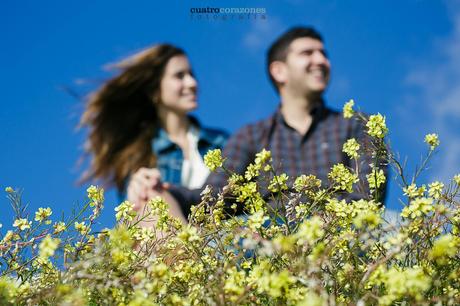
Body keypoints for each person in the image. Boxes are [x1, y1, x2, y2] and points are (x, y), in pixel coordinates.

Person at [134, 27, 387, 220]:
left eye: (324, 53)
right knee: (152, 200)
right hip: (271, 241)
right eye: (307, 53)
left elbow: (368, 195)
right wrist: (164, 190)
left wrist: (324, 223)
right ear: (279, 71)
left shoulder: (356, 125)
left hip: (342, 231)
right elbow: (213, 197)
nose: (321, 60)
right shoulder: (252, 137)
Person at [79, 44, 228, 221]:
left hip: (224, 239)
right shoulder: (139, 155)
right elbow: (133, 220)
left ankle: (189, 246)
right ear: (156, 91)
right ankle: (187, 245)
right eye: (179, 76)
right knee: (148, 194)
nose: (192, 83)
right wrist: (136, 188)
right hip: (167, 239)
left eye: (192, 74)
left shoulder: (220, 141)